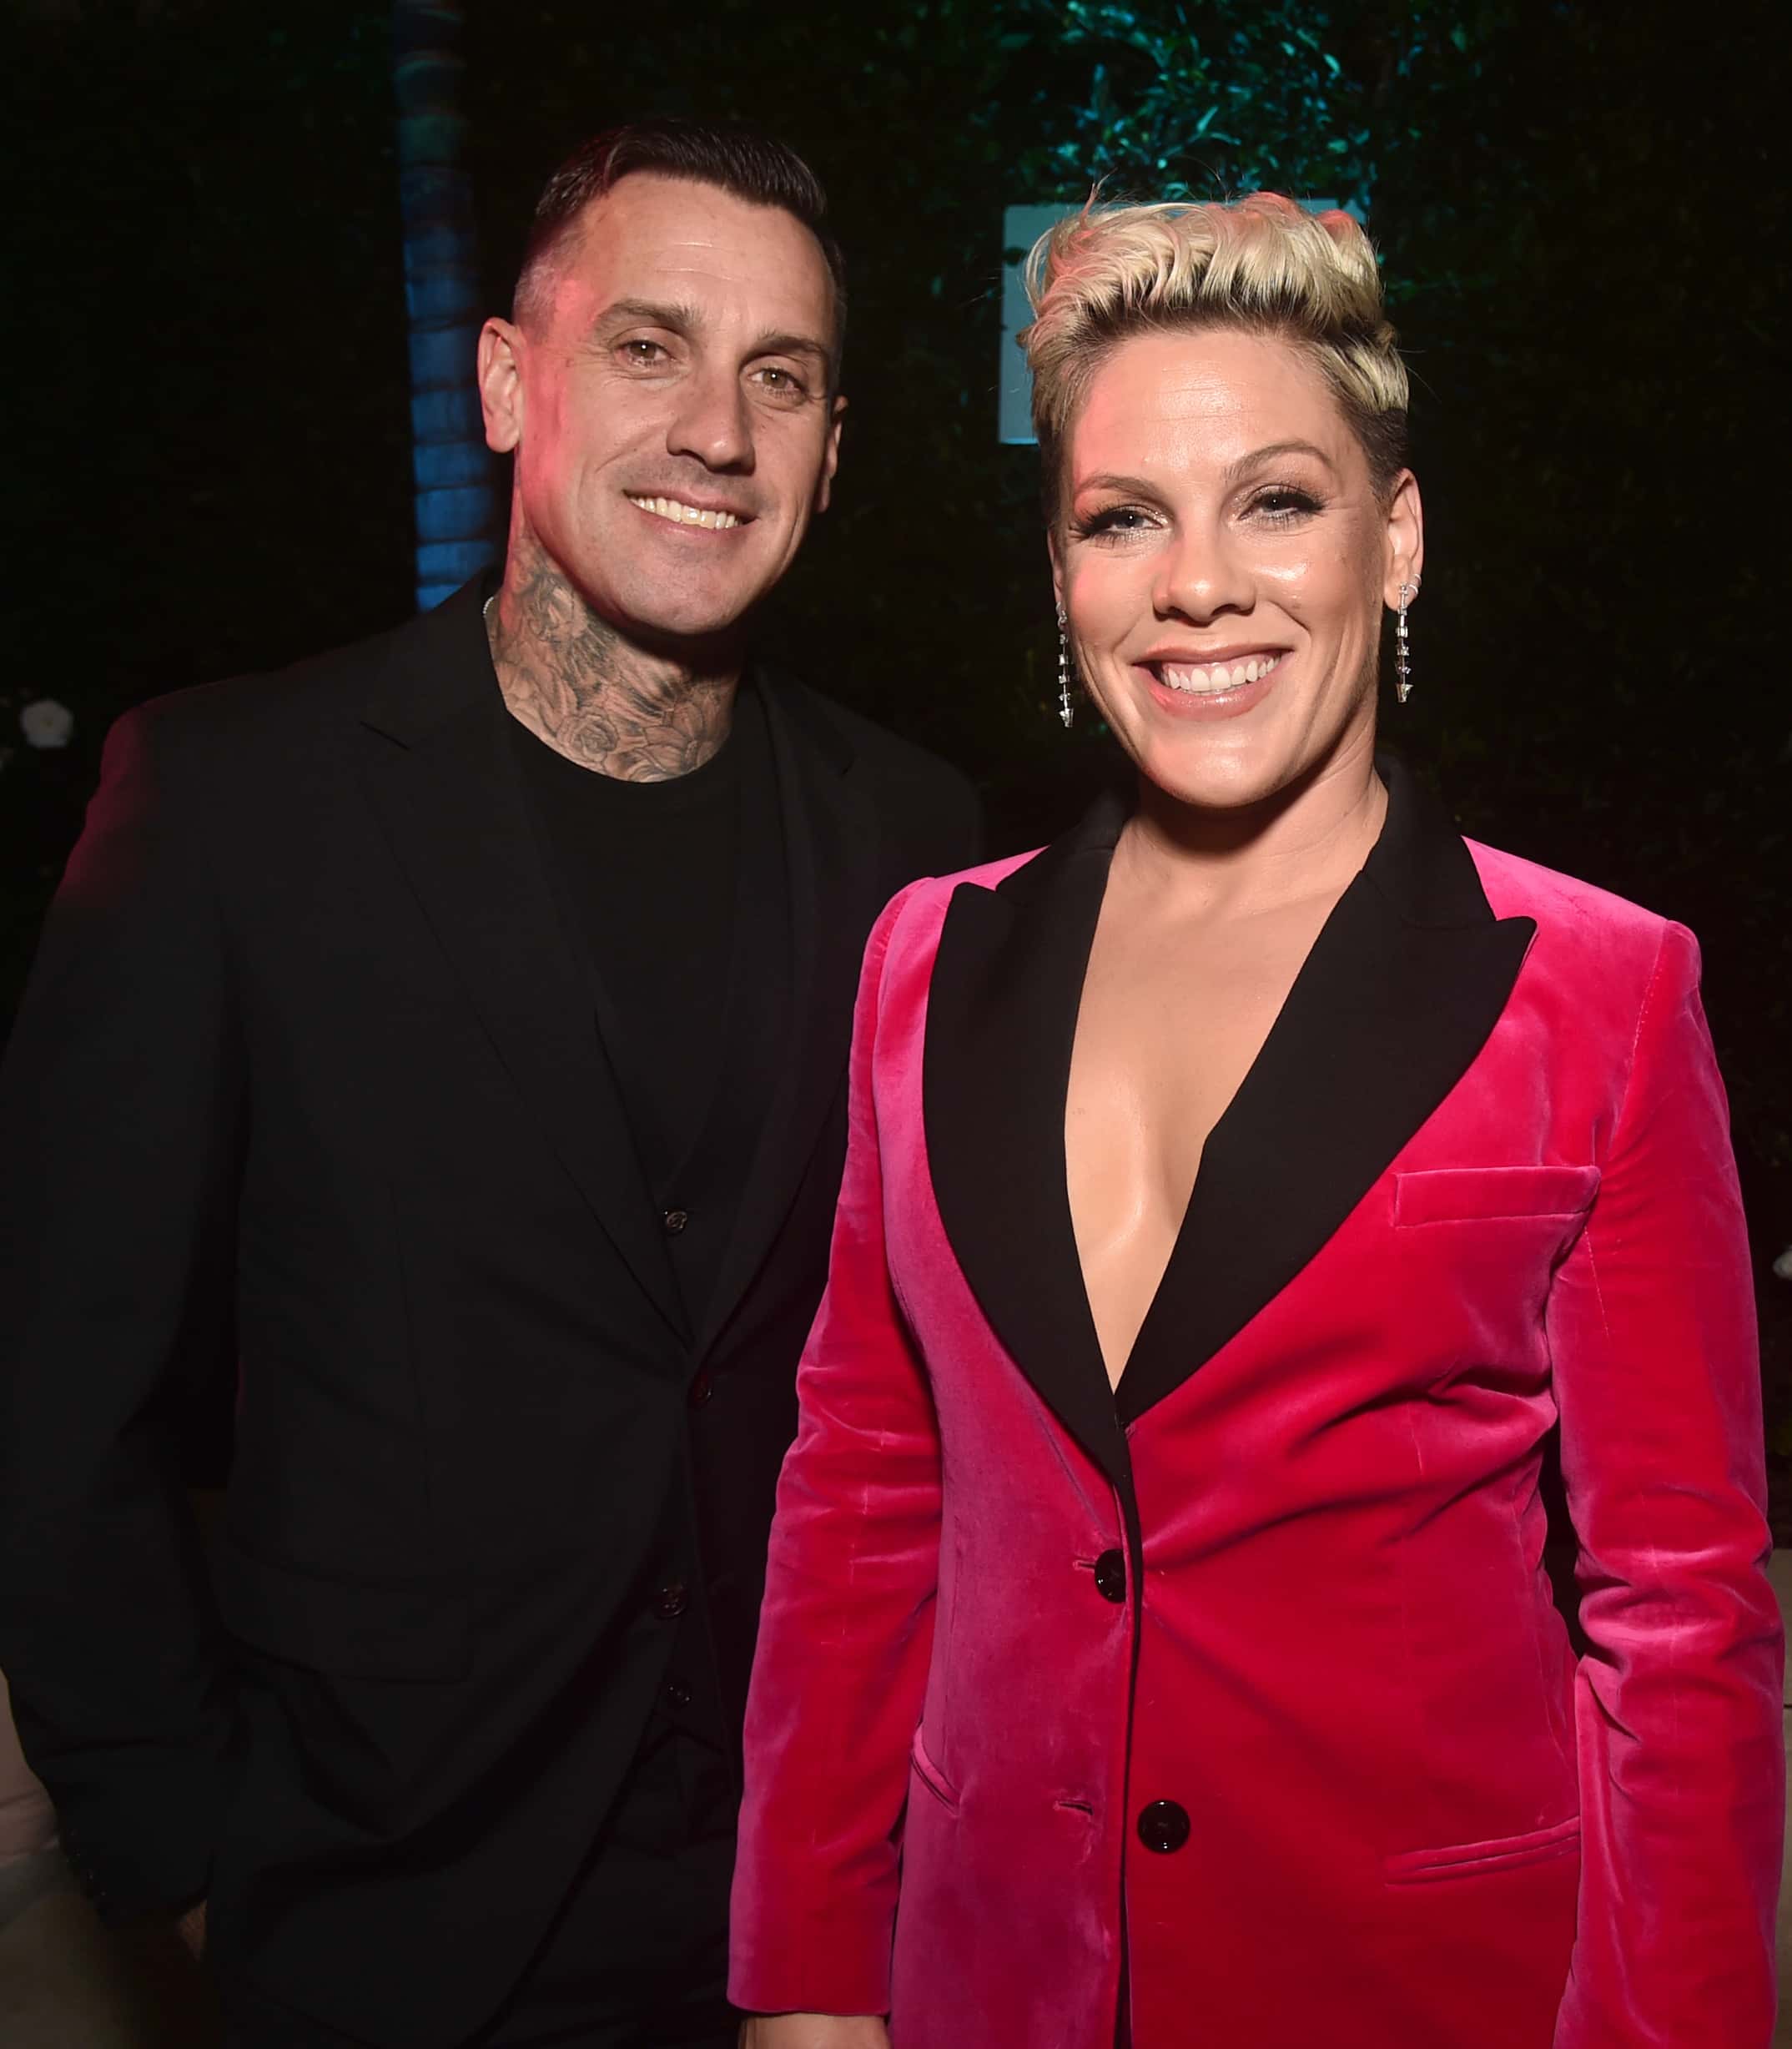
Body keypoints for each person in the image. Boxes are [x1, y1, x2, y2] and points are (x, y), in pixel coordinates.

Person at [727, 194, 1783, 2047]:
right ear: (1061, 573)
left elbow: (1681, 1615)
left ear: (1400, 537)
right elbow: (863, 1490)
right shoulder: (927, 964)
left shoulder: (1602, 992)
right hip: (987, 1978)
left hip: (1413, 1991)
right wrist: (805, 1971)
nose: (1197, 584)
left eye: (1278, 501)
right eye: (1123, 517)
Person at [0, 118, 979, 2048]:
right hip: (386, 1918)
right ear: (512, 383)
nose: (719, 428)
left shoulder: (912, 836)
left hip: (808, 1917)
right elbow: (58, 1388)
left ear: (832, 452)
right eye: (650, 346)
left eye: (781, 377)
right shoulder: (231, 806)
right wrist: (183, 1856)